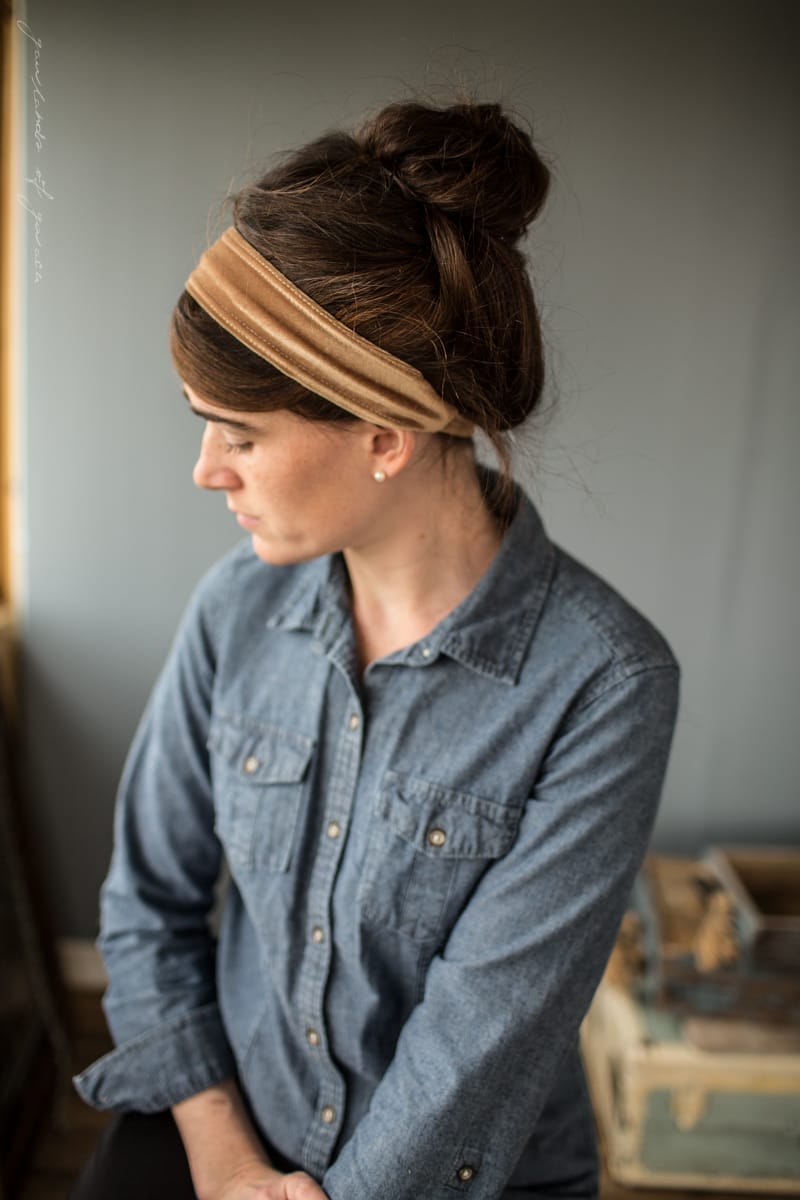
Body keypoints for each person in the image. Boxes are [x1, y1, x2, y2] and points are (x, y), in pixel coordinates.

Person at [72, 99, 679, 1200]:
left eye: (240, 433)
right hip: (228, 1129)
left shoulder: (603, 685)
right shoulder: (234, 611)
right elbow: (148, 904)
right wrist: (224, 1160)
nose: (206, 470)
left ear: (383, 437)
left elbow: (475, 1050)